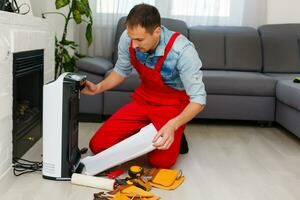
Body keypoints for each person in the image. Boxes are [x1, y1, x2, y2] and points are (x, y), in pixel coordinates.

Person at [81, 3, 206, 168]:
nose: (134, 45)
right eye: (132, 38)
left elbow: (199, 100)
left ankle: (175, 130)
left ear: (157, 32)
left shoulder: (183, 51)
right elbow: (121, 71)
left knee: (160, 162)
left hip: (173, 106)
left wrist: (173, 124)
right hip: (144, 99)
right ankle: (149, 129)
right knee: (98, 146)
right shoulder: (129, 38)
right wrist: (98, 88)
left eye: (139, 39)